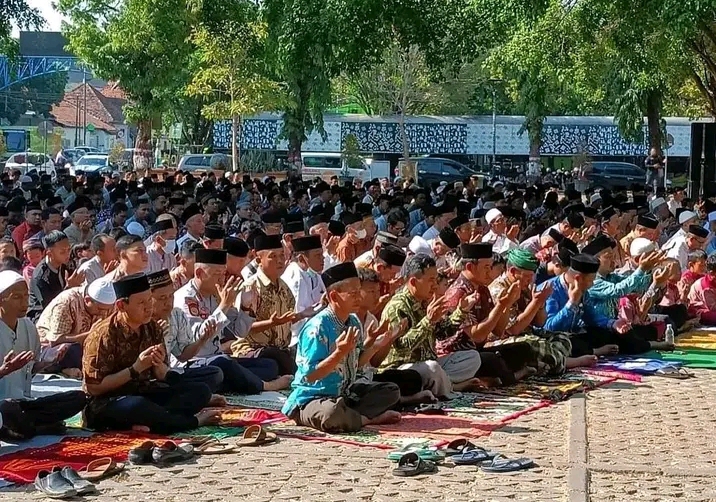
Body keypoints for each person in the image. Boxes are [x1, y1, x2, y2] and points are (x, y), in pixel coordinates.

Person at [82, 273, 221, 433]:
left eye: (149, 300)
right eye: (141, 302)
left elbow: (162, 375)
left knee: (200, 391)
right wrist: (135, 369)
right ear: (121, 305)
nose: (149, 307)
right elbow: (94, 388)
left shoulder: (152, 327)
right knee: (138, 406)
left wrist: (159, 366)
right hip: (109, 402)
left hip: (144, 392)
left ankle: (150, 422)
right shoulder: (103, 335)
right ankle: (189, 422)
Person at [282, 262, 401, 433]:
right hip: (313, 399)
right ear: (334, 297)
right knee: (331, 414)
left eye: (359, 291)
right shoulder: (317, 327)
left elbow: (358, 362)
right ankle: (365, 419)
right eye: (353, 294)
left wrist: (375, 346)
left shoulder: (352, 321)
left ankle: (352, 416)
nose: (359, 298)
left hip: (344, 394)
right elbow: (309, 375)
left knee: (390, 390)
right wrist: (338, 353)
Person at [173, 251, 290, 392]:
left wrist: (246, 307)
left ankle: (238, 381)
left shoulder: (215, 295)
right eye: (217, 274)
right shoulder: (186, 298)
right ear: (199, 273)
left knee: (269, 365)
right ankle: (265, 385)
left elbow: (240, 331)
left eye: (224, 274)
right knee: (222, 367)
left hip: (216, 358)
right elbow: (197, 336)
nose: (222, 279)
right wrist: (223, 305)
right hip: (194, 362)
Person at [0, 270, 87, 439]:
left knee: (78, 397)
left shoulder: (28, 327)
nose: (24, 302)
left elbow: (30, 369)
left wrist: (49, 362)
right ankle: (34, 426)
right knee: (9, 411)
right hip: (2, 407)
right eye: (16, 297)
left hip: (24, 403)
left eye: (26, 296)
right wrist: (4, 370)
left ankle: (27, 425)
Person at [380, 254, 482, 397]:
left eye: (436, 280)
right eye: (431, 280)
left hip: (429, 363)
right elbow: (402, 348)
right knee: (432, 369)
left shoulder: (426, 301)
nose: (435, 285)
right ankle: (451, 387)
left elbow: (443, 333)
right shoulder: (397, 307)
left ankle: (443, 384)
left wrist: (462, 310)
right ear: (414, 282)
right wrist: (428, 321)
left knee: (472, 357)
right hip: (404, 367)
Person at [544, 254, 659, 357]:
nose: (592, 284)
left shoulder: (583, 291)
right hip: (555, 339)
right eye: (590, 281)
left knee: (612, 334)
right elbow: (549, 328)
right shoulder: (550, 290)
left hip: (577, 333)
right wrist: (572, 303)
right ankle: (595, 352)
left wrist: (612, 323)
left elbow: (590, 316)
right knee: (571, 344)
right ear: (578, 279)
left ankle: (647, 345)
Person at [231, 234, 298, 374]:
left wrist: (305, 314)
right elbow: (242, 331)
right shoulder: (250, 288)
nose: (280, 261)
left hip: (280, 350)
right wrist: (271, 323)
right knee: (271, 364)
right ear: (258, 259)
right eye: (273, 256)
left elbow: (287, 320)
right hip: (253, 350)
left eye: (282, 255)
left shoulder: (285, 288)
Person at [36, 277, 116, 376]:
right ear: (87, 300)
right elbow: (55, 340)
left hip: (84, 346)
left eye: (106, 310)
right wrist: (90, 334)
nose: (103, 313)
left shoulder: (108, 307)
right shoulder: (66, 302)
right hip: (51, 348)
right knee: (70, 350)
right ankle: (63, 368)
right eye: (100, 309)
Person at [28, 231, 85, 321]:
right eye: (62, 252)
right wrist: (69, 288)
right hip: (43, 315)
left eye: (68, 250)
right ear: (50, 254)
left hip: (65, 307)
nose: (68, 254)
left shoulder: (66, 263)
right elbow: (51, 307)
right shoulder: (40, 277)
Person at [281, 235, 326, 345]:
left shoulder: (315, 273)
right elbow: (291, 320)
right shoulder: (293, 279)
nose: (323, 258)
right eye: (317, 255)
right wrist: (305, 314)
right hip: (299, 337)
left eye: (322, 254)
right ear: (302, 258)